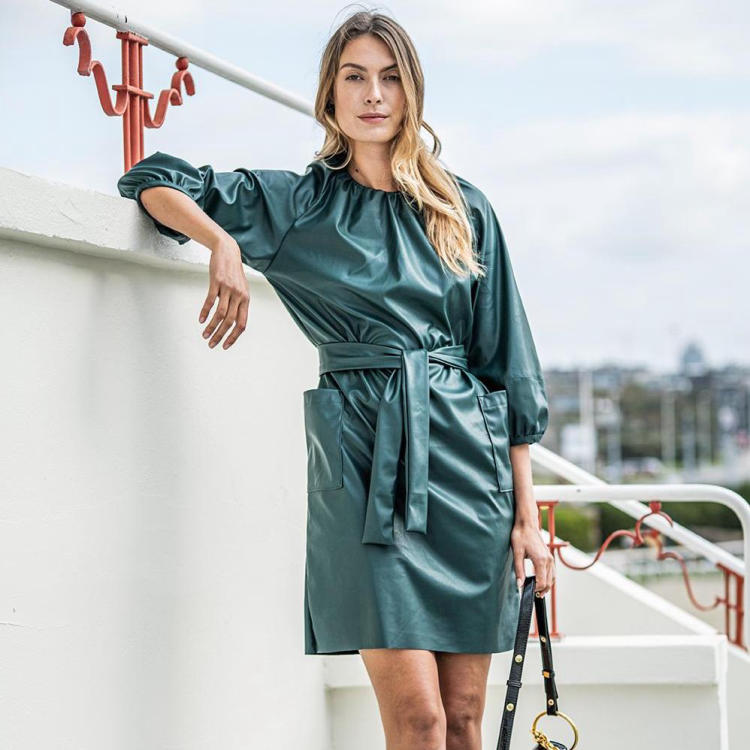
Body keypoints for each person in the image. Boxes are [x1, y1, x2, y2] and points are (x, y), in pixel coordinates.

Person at [117, 9, 555, 750]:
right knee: (418, 721)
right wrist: (223, 241)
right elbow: (153, 181)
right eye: (355, 77)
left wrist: (527, 520)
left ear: (411, 92)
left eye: (389, 78)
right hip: (363, 471)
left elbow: (507, 367)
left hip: (468, 474)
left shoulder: (463, 208)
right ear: (330, 94)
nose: (373, 95)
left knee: (463, 720)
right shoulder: (301, 205)